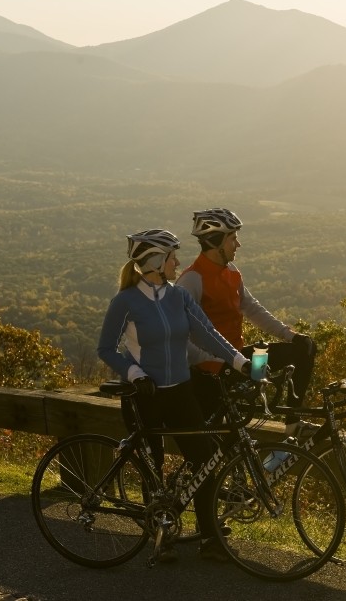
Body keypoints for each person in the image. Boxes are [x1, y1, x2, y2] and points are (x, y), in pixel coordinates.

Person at [97, 228, 250, 564]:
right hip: (145, 394)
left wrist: (240, 362)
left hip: (181, 391)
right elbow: (106, 349)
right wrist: (135, 373)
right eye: (171, 257)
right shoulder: (125, 301)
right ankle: (160, 537)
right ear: (155, 261)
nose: (178, 263)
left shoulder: (177, 297)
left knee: (205, 459)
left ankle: (210, 539)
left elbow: (207, 334)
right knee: (153, 464)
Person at [176, 208, 317, 436]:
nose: (238, 245)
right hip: (213, 375)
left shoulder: (231, 272)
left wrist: (292, 335)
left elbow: (253, 309)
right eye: (233, 239)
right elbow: (177, 337)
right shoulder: (192, 280)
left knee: (304, 350)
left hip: (242, 365)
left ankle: (293, 422)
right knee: (217, 448)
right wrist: (214, 364)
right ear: (216, 242)